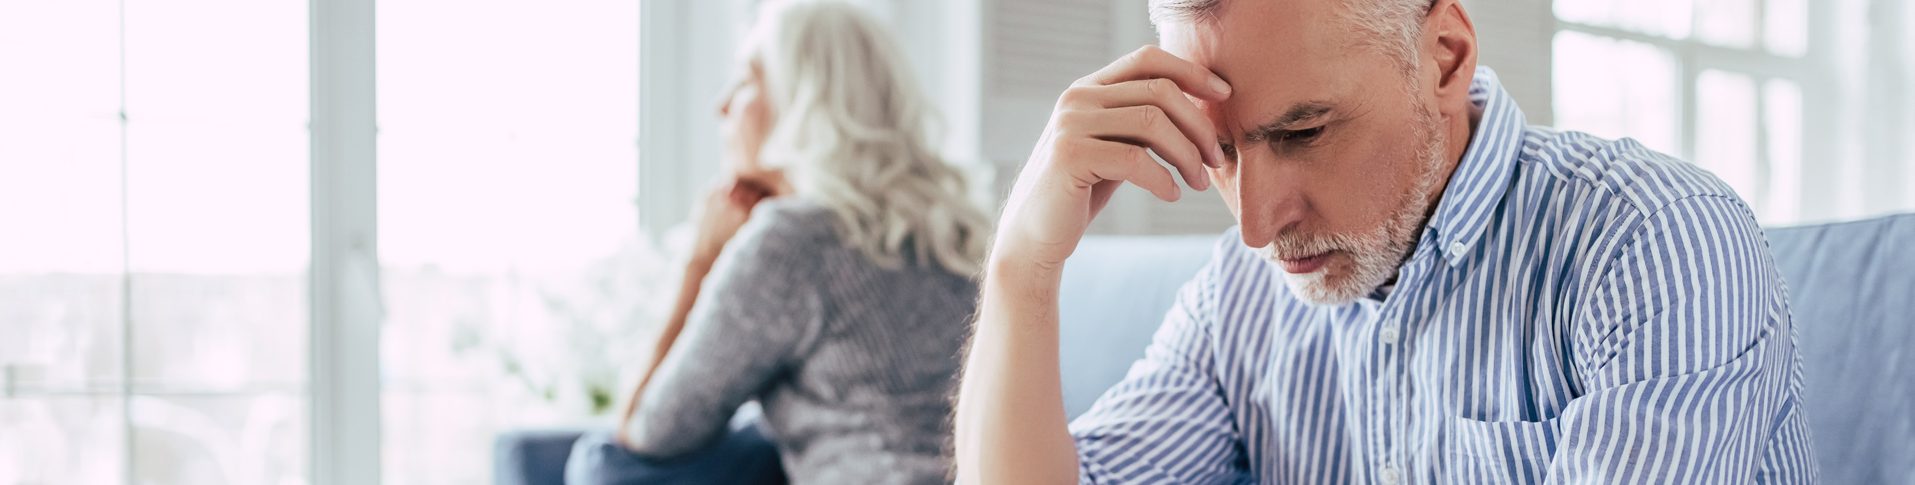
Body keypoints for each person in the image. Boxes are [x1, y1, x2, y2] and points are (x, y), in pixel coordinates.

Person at [953, 0, 1817, 483]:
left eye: (1302, 132)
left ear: (1442, 57)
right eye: (1222, 151)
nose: (1255, 226)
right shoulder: (1240, 297)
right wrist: (1020, 268)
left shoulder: (1652, 244)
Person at [565, 1, 992, 483]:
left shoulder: (794, 239)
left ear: (803, 101)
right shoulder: (959, 229)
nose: (721, 105)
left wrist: (700, 261)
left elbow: (651, 429)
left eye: (746, 80)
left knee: (604, 460)